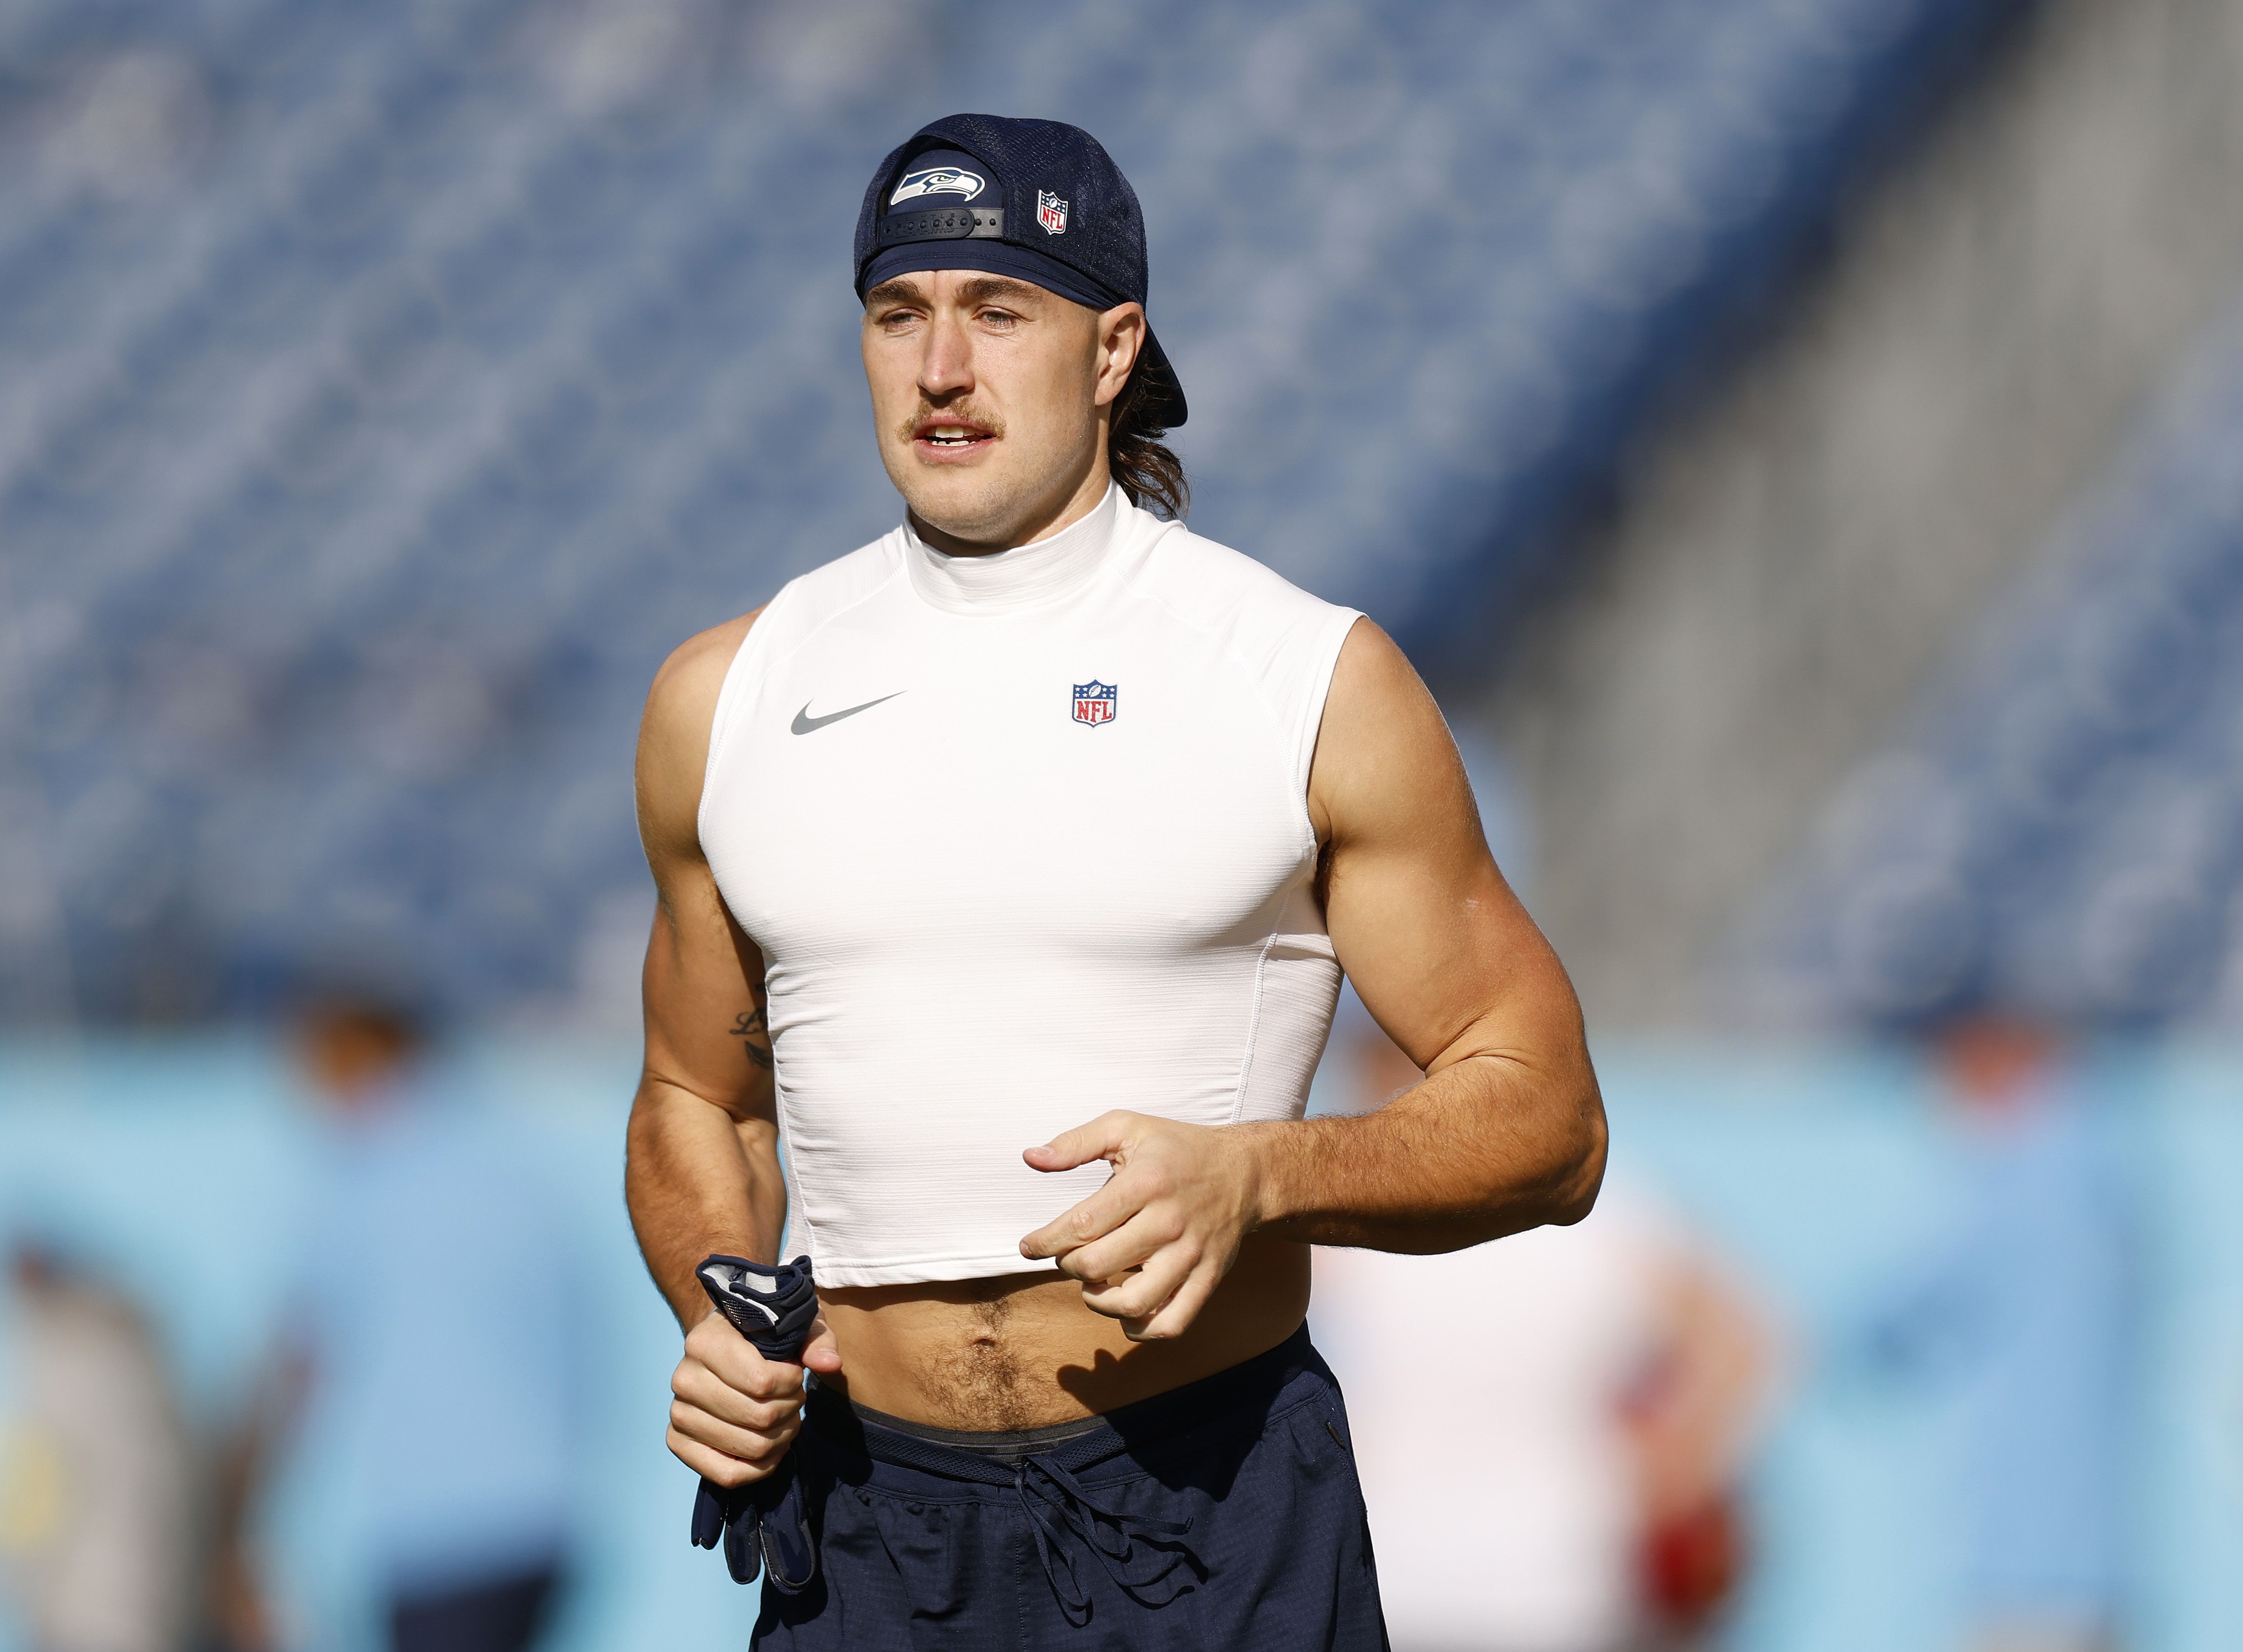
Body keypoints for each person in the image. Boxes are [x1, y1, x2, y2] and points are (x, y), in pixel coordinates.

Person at [624, 113, 1607, 1649]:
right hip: (869, 1526)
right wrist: (714, 1301)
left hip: (1207, 1502)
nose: (940, 367)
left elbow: (1549, 1118)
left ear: (1109, 350)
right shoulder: (725, 696)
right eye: (900, 316)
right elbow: (697, 1099)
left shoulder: (1299, 677)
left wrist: (1259, 1173)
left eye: (999, 311)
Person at [1315, 1013, 1775, 1652]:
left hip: (1398, 1566)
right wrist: (1669, 1471)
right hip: (1560, 1569)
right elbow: (1742, 1344)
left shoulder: (1352, 1212)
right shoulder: (1603, 1205)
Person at [214, 995, 585, 1652]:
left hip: (433, 1531)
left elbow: (294, 1366)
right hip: (543, 1523)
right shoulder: (509, 1161)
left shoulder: (361, 1178)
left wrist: (228, 1521)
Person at [1867, 1015, 2131, 1652]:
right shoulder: (2107, 1171)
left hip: (2022, 1573)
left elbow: (1892, 1319)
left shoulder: (2022, 1178)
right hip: (2098, 1569)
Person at [0, 1237, 195, 1652]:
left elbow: (26, 1493)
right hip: (156, 1601)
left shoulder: (50, 1361)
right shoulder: (137, 1347)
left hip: (86, 1608)